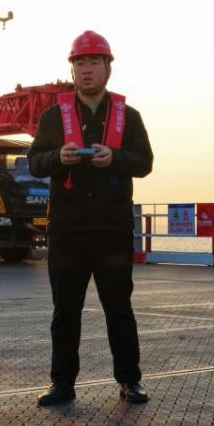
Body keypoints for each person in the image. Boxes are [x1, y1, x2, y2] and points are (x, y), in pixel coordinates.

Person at [28, 30, 154, 406]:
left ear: (107, 68)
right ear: (72, 69)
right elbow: (34, 162)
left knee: (119, 309)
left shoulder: (128, 116)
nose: (86, 69)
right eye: (80, 62)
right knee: (65, 311)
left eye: (94, 62)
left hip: (112, 228)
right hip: (67, 230)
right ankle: (61, 383)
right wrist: (57, 158)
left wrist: (115, 158)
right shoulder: (54, 116)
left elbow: (145, 163)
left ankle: (130, 380)